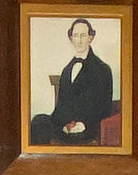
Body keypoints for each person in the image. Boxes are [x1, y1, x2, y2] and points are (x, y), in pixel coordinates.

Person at [29, 18, 114, 147]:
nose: (79, 40)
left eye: (83, 35)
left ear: (90, 38)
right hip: (65, 126)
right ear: (71, 38)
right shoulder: (67, 69)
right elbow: (61, 106)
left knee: (76, 137)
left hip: (87, 128)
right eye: (75, 36)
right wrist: (64, 124)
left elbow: (104, 107)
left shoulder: (103, 69)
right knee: (38, 122)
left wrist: (83, 124)